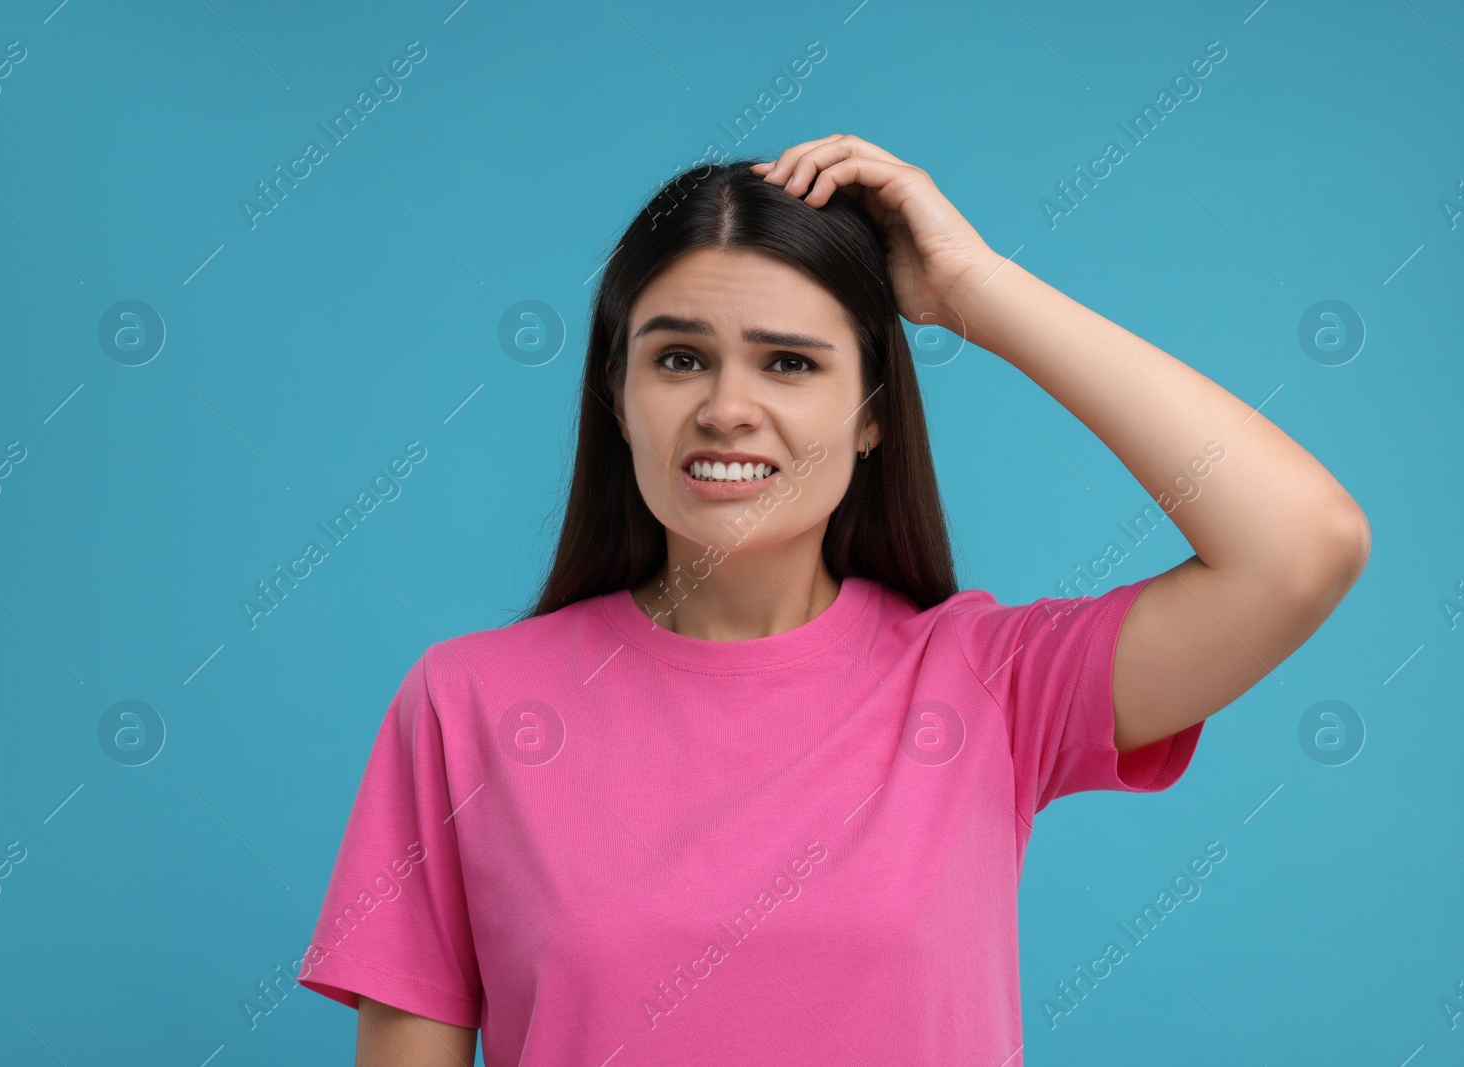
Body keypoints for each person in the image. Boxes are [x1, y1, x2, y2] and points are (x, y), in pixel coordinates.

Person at [297, 134, 1370, 1065]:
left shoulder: (988, 684)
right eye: (677, 358)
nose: (726, 408)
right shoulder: (468, 702)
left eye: (789, 364)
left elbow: (1301, 544)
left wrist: (973, 290)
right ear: (617, 399)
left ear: (871, 415)